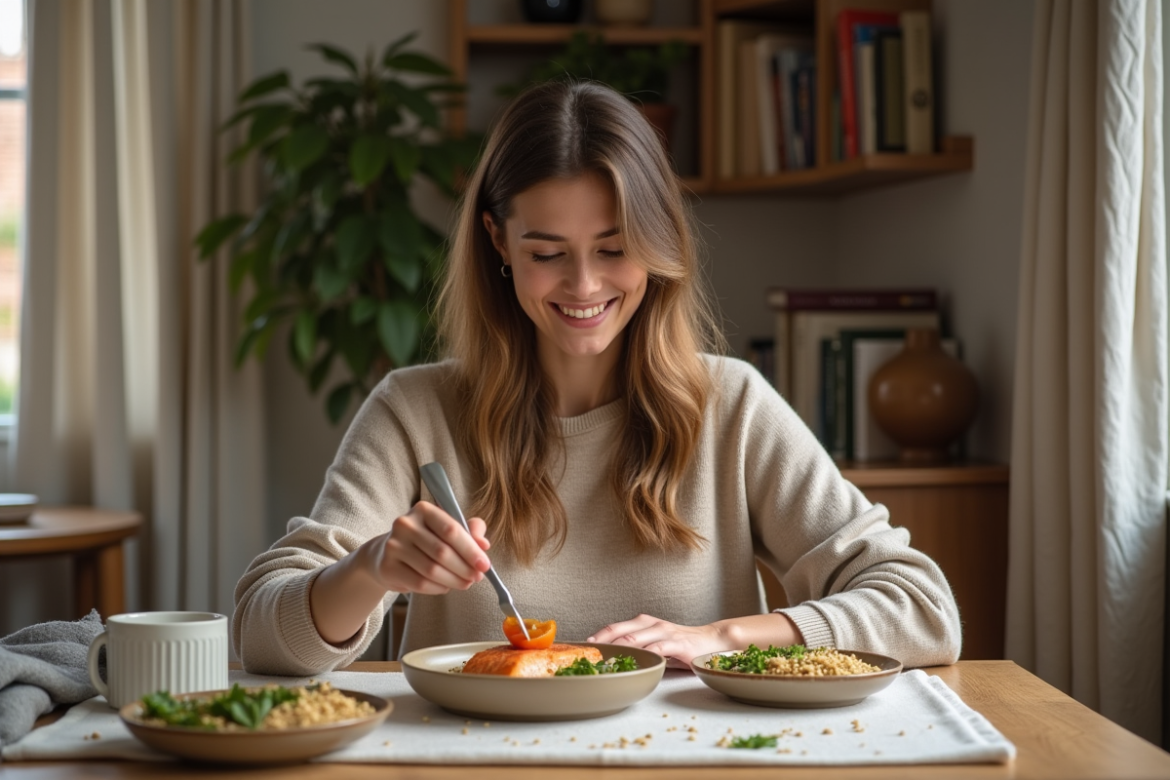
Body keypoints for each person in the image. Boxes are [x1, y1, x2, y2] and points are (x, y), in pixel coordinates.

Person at [233, 81, 961, 676]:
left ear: (657, 241)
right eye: (547, 252)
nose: (584, 286)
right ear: (498, 241)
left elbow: (924, 610)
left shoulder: (731, 404)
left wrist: (730, 638)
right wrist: (369, 569)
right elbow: (259, 636)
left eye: (613, 248)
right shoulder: (414, 409)